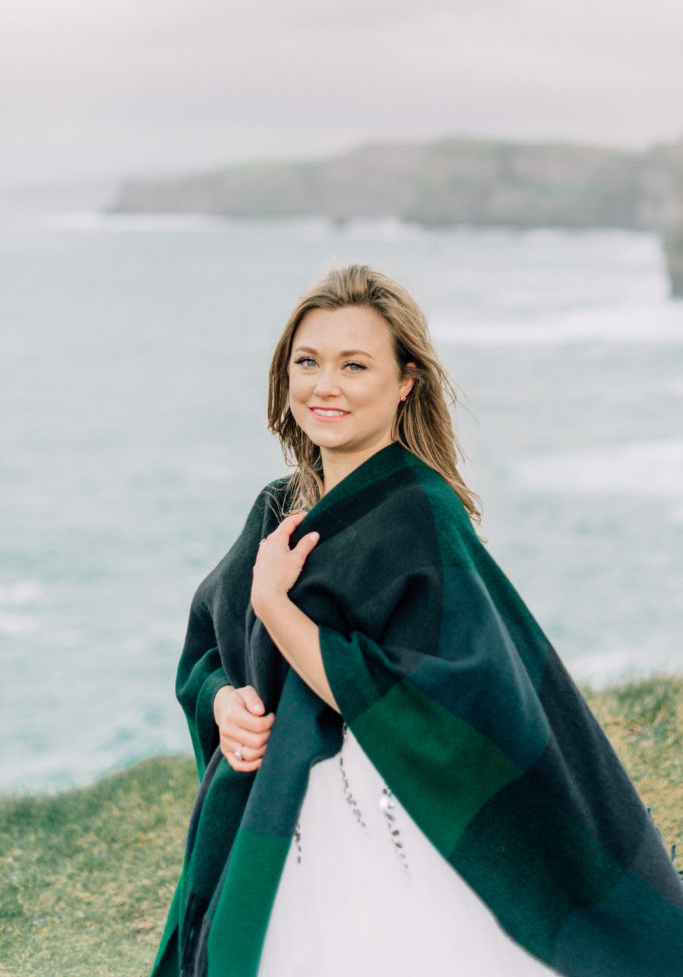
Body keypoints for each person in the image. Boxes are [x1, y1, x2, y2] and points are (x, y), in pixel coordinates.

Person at [151, 265, 683, 977]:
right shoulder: (276, 506)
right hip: (284, 805)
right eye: (306, 363)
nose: (323, 386)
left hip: (391, 822)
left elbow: (407, 699)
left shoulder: (420, 512)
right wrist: (223, 701)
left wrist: (275, 604)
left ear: (405, 381)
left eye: (353, 365)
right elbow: (207, 645)